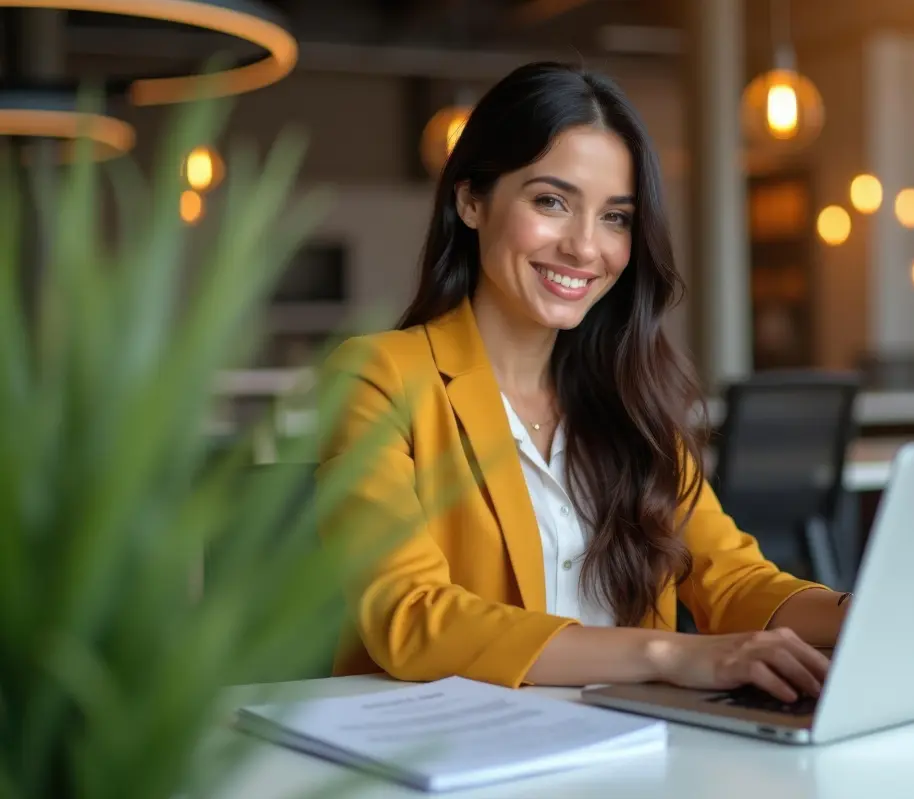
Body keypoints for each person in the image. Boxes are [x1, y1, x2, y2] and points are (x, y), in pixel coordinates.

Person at [318, 61, 850, 703]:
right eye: (551, 202)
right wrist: (670, 652)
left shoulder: (630, 397)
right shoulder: (379, 377)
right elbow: (411, 620)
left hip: (623, 746)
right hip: (446, 754)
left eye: (615, 218)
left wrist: (868, 615)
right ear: (471, 200)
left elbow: (733, 582)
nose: (584, 247)